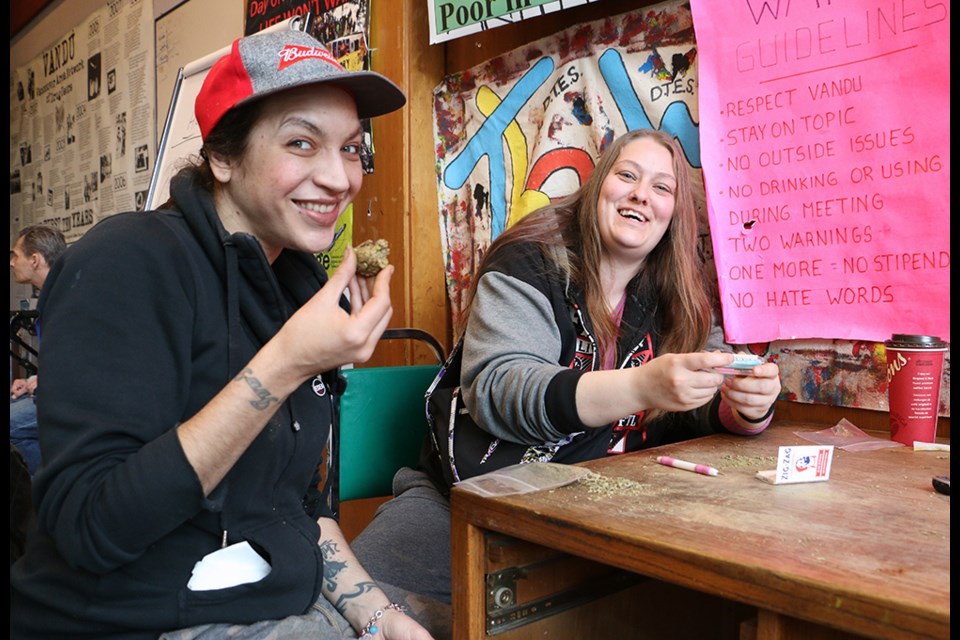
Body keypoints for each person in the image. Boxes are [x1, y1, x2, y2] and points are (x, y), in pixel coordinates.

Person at [11, 29, 445, 640]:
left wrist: (379, 617)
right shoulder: (127, 261)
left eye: (350, 148)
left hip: (280, 598)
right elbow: (91, 527)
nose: (339, 177)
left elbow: (295, 506)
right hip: (139, 620)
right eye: (301, 142)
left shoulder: (295, 281)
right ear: (222, 157)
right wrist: (286, 362)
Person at [351, 128, 783, 606]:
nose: (642, 193)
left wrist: (742, 406)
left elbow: (694, 408)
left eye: (662, 187)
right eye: (627, 175)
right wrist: (641, 386)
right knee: (349, 613)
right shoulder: (529, 260)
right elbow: (500, 391)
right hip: (468, 503)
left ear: (674, 216)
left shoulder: (676, 294)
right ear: (598, 184)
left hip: (602, 516)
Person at [9, 224, 67, 477]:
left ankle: (40, 497)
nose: (12, 263)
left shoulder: (65, 299)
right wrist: (33, 379)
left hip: (67, 400)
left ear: (34, 260)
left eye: (15, 255)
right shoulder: (53, 296)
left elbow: (82, 364)